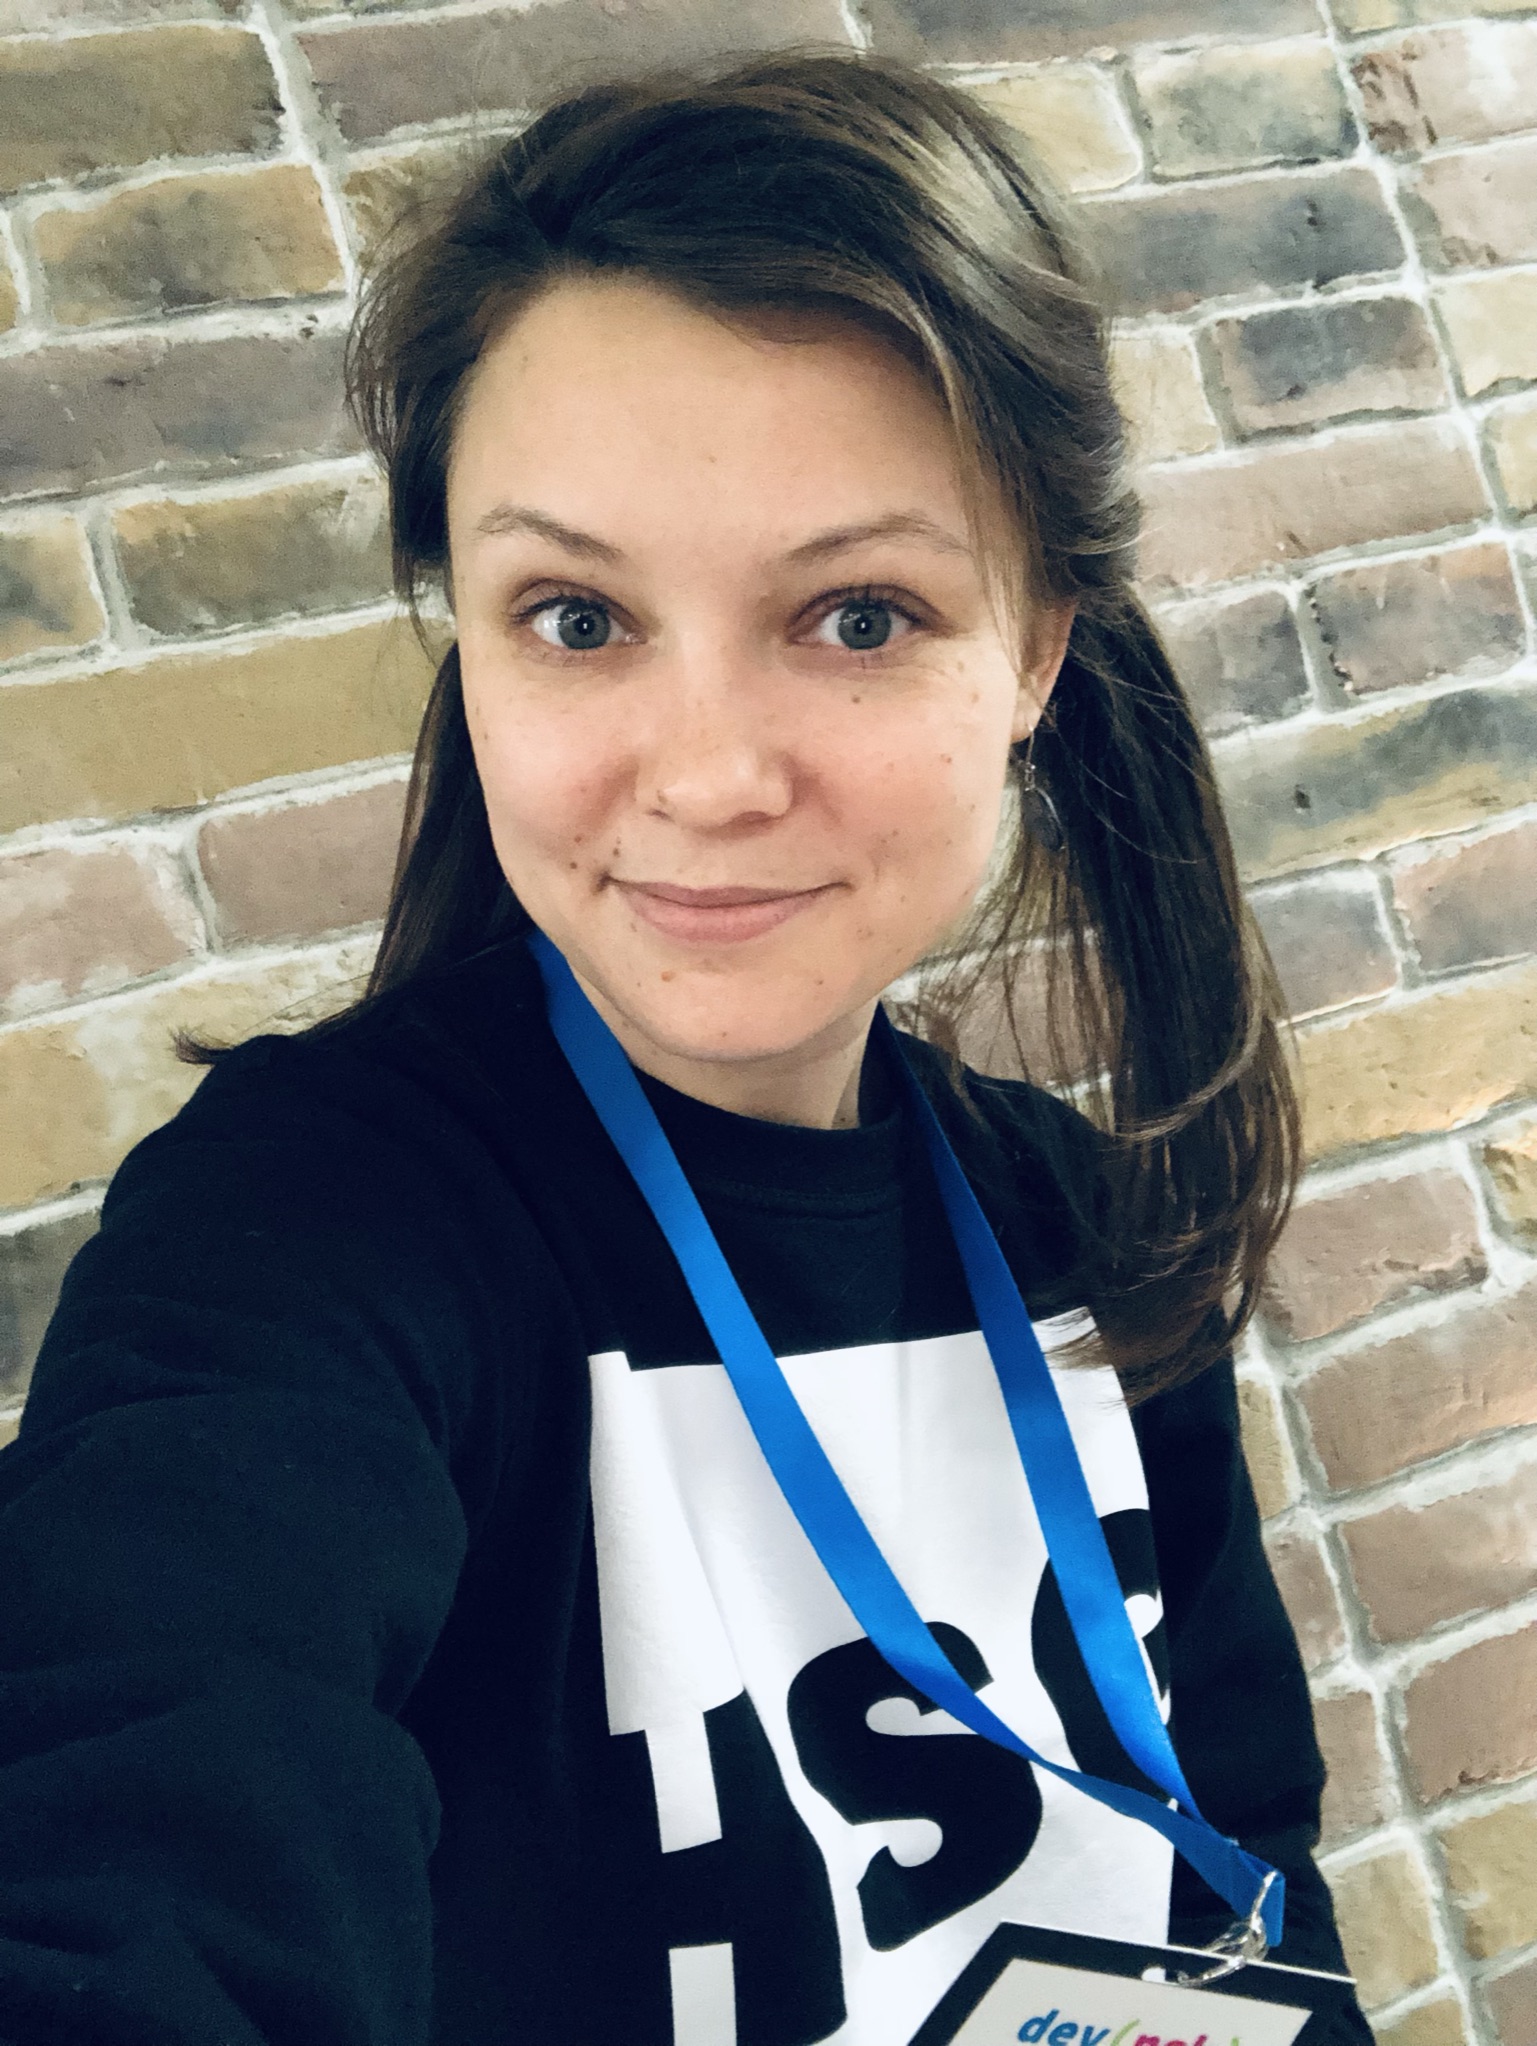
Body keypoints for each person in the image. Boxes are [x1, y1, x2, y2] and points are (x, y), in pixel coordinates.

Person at [0, 47, 1370, 2046]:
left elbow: (1244, 1867)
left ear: (1036, 648)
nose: (711, 777)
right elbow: (139, 1806)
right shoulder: (309, 1230)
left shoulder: (1082, 1226)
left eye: (858, 615)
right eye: (575, 617)